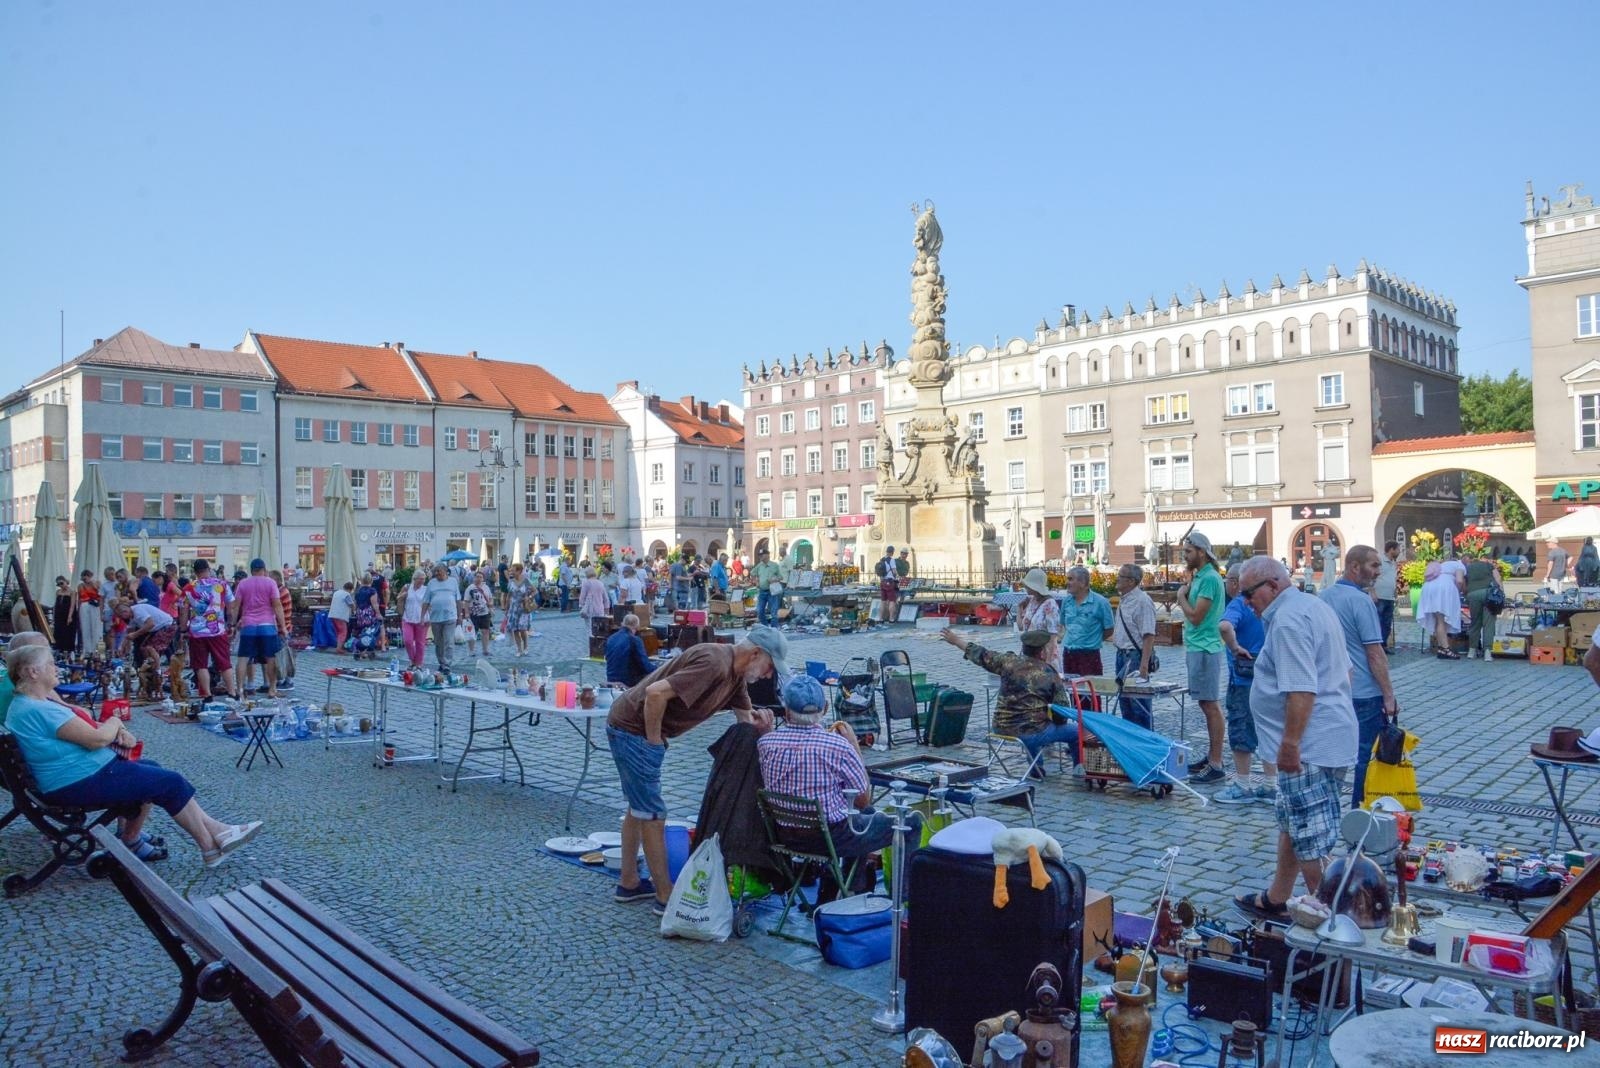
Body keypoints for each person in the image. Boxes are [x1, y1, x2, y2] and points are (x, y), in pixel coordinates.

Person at [4, 641, 262, 868]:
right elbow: (97, 739)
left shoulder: (27, 705)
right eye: (50, 664)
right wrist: (115, 722)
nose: (56, 668)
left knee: (152, 769)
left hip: (73, 776)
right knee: (168, 781)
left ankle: (214, 835)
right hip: (76, 781)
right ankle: (211, 844)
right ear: (32, 672)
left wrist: (114, 730)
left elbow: (87, 735)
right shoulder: (38, 709)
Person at [604, 626, 784, 914]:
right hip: (632, 729)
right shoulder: (714, 662)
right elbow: (655, 694)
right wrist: (653, 742)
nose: (768, 675)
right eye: (769, 667)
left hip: (631, 725)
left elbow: (743, 720)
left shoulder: (735, 676)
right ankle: (665, 895)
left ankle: (629, 882)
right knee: (652, 812)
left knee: (638, 806)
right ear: (755, 654)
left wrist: (761, 727)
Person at [1230, 557, 1358, 921]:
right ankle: (1278, 896)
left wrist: (1290, 744)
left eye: (1248, 594)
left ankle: (1329, 916)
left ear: (1272, 585)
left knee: (1311, 836)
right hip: (1324, 737)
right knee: (1293, 821)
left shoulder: (1287, 621)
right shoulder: (1311, 605)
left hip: (1310, 746)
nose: (1245, 603)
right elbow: (1344, 670)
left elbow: (1301, 689)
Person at [757, 674, 912, 900]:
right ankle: (905, 897)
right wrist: (853, 746)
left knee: (865, 816)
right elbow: (862, 797)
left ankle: (849, 887)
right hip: (828, 838)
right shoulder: (837, 745)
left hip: (785, 835)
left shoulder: (766, 742)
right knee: (909, 822)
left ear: (787, 710)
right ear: (825, 708)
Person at [1319, 545, 1401, 807]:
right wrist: (1389, 695)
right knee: (1364, 757)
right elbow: (1374, 652)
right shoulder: (1360, 601)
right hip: (1364, 691)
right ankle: (1361, 811)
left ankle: (1328, 807)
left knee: (1331, 754)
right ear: (1355, 566)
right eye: (1374, 566)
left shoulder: (1324, 597)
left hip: (1333, 688)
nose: (1378, 571)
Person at [941, 628, 1078, 770]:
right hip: (1032, 731)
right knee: (1075, 732)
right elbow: (1061, 711)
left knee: (1033, 724)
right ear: (1042, 652)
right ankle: (1078, 770)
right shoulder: (1049, 673)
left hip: (1001, 727)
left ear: (1023, 648)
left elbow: (981, 655)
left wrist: (956, 640)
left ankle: (1036, 767)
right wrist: (1054, 721)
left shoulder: (1008, 662)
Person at [1216, 569, 1275, 805]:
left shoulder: (1239, 604)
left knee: (1241, 728)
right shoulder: (1270, 603)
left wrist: (1234, 647)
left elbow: (1224, 627)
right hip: (1270, 678)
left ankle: (1242, 783)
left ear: (1234, 583)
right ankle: (1271, 784)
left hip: (1244, 679)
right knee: (1269, 729)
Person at [1177, 533, 1229, 785]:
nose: (1184, 556)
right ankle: (1211, 757)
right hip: (1199, 646)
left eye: (1188, 552)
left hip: (1206, 647)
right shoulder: (1201, 576)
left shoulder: (1208, 578)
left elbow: (1196, 616)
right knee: (1205, 704)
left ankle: (1217, 762)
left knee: (1211, 704)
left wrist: (1180, 599)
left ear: (1201, 552)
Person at [233, 560, 287, 698]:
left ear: (251, 570)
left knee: (243, 658)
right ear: (264, 569)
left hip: (248, 625)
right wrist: (283, 626)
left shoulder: (243, 584)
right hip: (267, 625)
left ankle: (239, 689)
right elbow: (277, 605)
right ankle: (272, 688)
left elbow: (236, 606)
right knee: (270, 658)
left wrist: (233, 623)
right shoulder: (271, 583)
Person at [1111, 564, 1157, 729]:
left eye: (1120, 576)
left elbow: (1149, 634)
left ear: (1131, 581)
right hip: (1121, 655)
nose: (1117, 578)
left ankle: (1146, 745)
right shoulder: (1125, 599)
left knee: (1139, 706)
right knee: (1125, 705)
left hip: (1134, 657)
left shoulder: (1142, 601)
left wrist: (1144, 666)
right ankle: (1130, 745)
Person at [184, 559, 235, 701]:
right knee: (224, 662)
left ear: (195, 572)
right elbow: (231, 605)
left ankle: (207, 695)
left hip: (197, 632)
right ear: (208, 568)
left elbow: (184, 610)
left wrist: (183, 629)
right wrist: (230, 623)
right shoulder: (222, 584)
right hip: (217, 630)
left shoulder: (189, 588)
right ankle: (232, 692)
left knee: (201, 664)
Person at [1058, 565, 1113, 677]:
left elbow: (1109, 629)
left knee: (1090, 691)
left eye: (1070, 579)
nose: (1067, 582)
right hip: (1069, 653)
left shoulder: (1101, 602)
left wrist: (1094, 640)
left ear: (1082, 583)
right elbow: (1063, 623)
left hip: (1089, 655)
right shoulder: (1066, 601)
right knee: (1073, 690)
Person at [1014, 568, 1061, 667]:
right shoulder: (1032, 601)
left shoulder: (1050, 604)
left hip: (1044, 654)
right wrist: (1019, 608)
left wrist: (1048, 662)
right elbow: (1021, 627)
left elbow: (1053, 635)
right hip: (1029, 653)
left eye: (1027, 584)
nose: (1025, 586)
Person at [1416, 561, 1462, 659]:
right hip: (1442, 589)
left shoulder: (1442, 565)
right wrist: (1457, 591)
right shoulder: (1460, 565)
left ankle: (1441, 647)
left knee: (1438, 620)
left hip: (1429, 588)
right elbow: (1459, 581)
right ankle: (1446, 649)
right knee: (1441, 621)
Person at [422, 564, 464, 672]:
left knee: (449, 641)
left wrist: (460, 615)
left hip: (450, 616)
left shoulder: (453, 582)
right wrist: (422, 616)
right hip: (435, 617)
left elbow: (458, 600)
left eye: (439, 571)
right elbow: (426, 601)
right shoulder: (431, 583)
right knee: (438, 642)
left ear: (445, 571)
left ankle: (447, 664)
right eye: (435, 571)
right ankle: (441, 661)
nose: (436, 573)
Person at [117, 599, 177, 673]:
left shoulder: (138, 611)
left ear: (125, 612)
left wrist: (135, 634)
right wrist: (122, 646)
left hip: (167, 625)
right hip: (157, 628)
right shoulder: (131, 616)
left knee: (150, 648)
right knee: (144, 648)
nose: (121, 618)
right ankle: (150, 668)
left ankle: (158, 671)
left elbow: (150, 624)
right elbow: (129, 632)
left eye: (120, 616)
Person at [1463, 554, 1504, 660]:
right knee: (1488, 623)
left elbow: (1463, 583)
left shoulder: (1468, 567)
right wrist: (1501, 594)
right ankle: (1487, 652)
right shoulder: (1489, 566)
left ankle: (1471, 651)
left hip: (1473, 595)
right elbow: (1498, 579)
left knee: (1475, 623)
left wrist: (1466, 594)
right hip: (1488, 595)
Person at [604, 613, 655, 687]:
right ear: (637, 627)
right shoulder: (634, 640)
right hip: (628, 682)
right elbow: (646, 666)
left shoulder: (610, 638)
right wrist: (660, 668)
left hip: (611, 679)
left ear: (622, 624)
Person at [397, 570, 430, 668]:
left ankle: (418, 663)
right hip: (407, 618)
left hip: (422, 619)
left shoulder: (426, 589)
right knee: (408, 641)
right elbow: (398, 598)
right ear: (414, 579)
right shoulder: (407, 587)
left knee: (420, 643)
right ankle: (412, 659)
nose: (422, 581)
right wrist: (403, 595)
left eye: (424, 579)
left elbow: (430, 604)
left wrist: (430, 619)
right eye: (420, 579)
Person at [505, 563, 537, 655]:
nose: (511, 572)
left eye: (513, 571)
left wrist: (529, 597)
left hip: (523, 607)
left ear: (519, 571)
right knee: (515, 629)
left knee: (522, 629)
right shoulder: (511, 582)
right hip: (513, 608)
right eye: (511, 571)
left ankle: (526, 646)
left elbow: (535, 591)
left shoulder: (526, 580)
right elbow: (508, 596)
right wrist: (506, 609)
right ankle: (519, 649)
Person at [350, 576, 383, 660]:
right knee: (373, 631)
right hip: (368, 613)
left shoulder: (358, 591)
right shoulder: (372, 591)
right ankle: (369, 650)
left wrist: (356, 612)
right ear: (371, 581)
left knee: (363, 631)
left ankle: (359, 649)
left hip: (360, 612)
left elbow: (356, 603)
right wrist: (378, 614)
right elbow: (374, 604)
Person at [1375, 542, 1399, 651]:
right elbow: (1373, 576)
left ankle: (1384, 645)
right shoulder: (1380, 560)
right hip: (1379, 596)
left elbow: (1392, 579)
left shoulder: (1393, 562)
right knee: (1378, 621)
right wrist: (1372, 591)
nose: (1399, 551)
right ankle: (1377, 646)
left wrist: (1395, 593)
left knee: (1387, 622)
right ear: (1391, 549)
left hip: (1389, 596)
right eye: (1398, 549)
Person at [465, 570, 495, 658]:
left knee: (485, 631)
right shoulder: (470, 588)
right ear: (474, 578)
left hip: (485, 612)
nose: (478, 579)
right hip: (474, 613)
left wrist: (491, 603)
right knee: (472, 632)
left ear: (483, 578)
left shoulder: (486, 587)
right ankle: (471, 650)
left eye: (480, 577)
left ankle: (485, 650)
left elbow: (490, 598)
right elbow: (466, 601)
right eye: (477, 577)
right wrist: (466, 612)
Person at [752, 548, 785, 627]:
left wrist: (775, 579)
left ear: (767, 555)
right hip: (762, 591)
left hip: (772, 591)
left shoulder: (774, 565)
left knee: (773, 612)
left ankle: (774, 629)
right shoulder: (759, 565)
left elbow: (781, 577)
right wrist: (756, 582)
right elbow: (752, 573)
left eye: (761, 555)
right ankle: (765, 626)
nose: (760, 557)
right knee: (760, 611)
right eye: (759, 555)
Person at [76, 570, 104, 655]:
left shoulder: (97, 583)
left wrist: (93, 585)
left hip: (94, 605)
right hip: (84, 605)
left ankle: (98, 650)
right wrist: (78, 609)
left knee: (96, 627)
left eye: (87, 576)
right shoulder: (80, 586)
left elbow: (100, 595)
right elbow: (80, 598)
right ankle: (87, 650)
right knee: (85, 627)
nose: (85, 578)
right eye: (84, 577)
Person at [52, 576, 77, 655]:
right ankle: (59, 647)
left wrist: (70, 616)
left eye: (62, 583)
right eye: (59, 584)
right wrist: (53, 614)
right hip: (59, 613)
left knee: (68, 630)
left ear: (66, 582)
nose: (61, 585)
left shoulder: (72, 592)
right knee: (58, 630)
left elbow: (72, 604)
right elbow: (55, 604)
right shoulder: (58, 592)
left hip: (67, 612)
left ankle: (68, 649)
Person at [328, 580, 355, 654]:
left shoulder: (336, 593)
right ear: (350, 589)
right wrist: (354, 610)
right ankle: (339, 648)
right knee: (343, 632)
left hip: (332, 615)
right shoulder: (346, 594)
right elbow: (351, 604)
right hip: (340, 616)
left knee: (338, 632)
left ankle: (339, 646)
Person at [875, 546, 901, 616]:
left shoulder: (882, 560)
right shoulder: (891, 560)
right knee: (892, 601)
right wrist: (897, 576)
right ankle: (891, 618)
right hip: (889, 582)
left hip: (883, 582)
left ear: (886, 551)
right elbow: (894, 572)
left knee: (883, 601)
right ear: (892, 552)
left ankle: (880, 618)